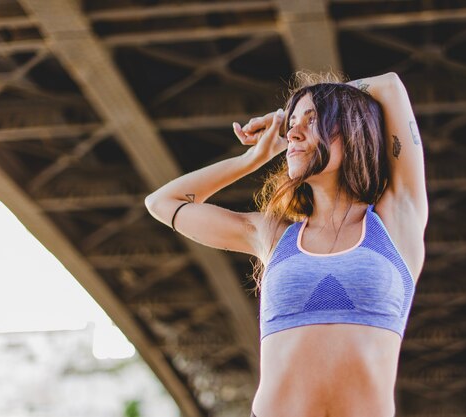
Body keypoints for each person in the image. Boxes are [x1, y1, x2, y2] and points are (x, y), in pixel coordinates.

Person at [145, 70, 428, 417]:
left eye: (313, 121)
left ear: (353, 130)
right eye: (291, 124)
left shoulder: (396, 220)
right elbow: (162, 203)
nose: (293, 132)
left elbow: (389, 86)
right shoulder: (273, 235)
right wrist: (251, 159)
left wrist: (313, 104)